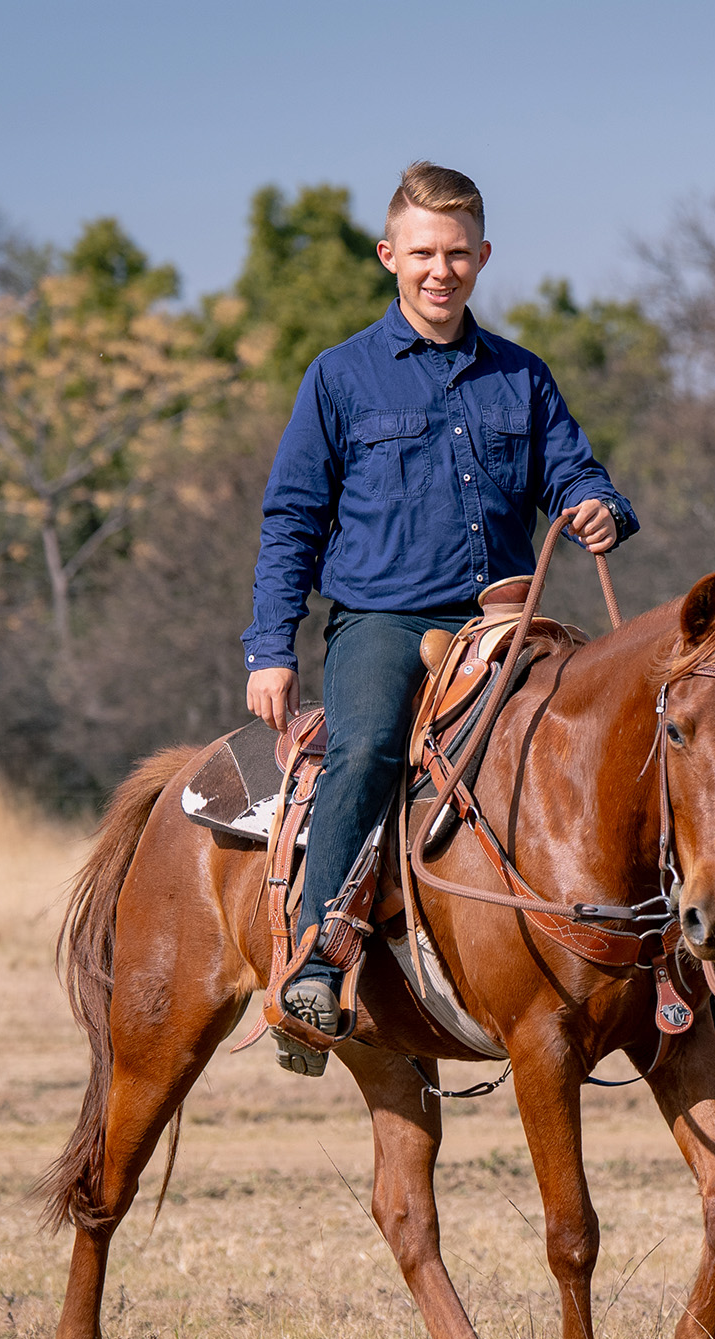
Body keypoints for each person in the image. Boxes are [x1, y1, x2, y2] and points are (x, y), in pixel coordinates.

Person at [242, 162, 635, 1059]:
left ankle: (701, 973)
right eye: (422, 252)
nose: (440, 270)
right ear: (389, 256)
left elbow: (572, 470)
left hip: (506, 617)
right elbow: (291, 519)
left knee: (611, 733)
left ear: (484, 256)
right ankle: (318, 957)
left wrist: (596, 505)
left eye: (458, 253)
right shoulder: (339, 377)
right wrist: (272, 646)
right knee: (370, 745)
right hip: (382, 619)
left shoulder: (521, 377)